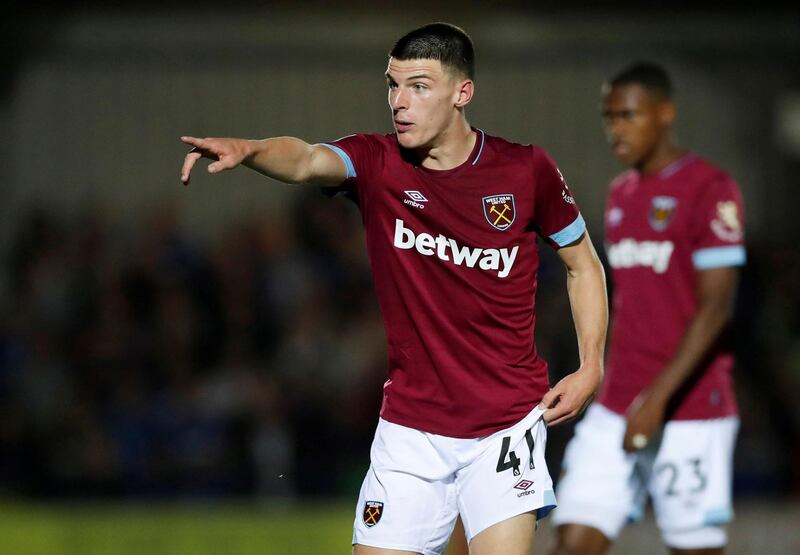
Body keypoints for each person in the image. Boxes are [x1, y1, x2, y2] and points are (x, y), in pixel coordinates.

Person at [180, 23, 608, 555]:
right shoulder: (378, 164)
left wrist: (591, 365)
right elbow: (308, 158)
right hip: (411, 431)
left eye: (419, 86)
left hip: (506, 424)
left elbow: (583, 265)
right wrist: (250, 149)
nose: (399, 103)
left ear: (462, 93)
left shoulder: (526, 171)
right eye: (392, 85)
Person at [549, 62, 746, 555]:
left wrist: (656, 401)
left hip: (690, 409)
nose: (616, 128)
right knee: (572, 541)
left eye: (629, 114)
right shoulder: (622, 194)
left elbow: (716, 310)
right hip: (618, 404)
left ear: (665, 113)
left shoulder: (710, 189)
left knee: (693, 547)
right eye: (608, 116)